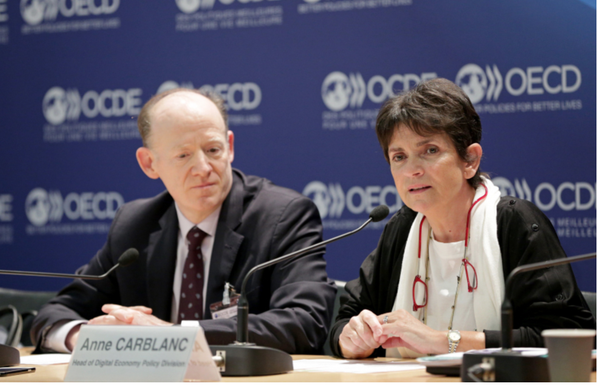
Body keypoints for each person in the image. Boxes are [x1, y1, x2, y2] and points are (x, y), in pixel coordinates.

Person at [32, 88, 336, 354]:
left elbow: (305, 321)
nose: (203, 167)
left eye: (213, 150)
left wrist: (174, 337)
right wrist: (85, 336)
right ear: (149, 163)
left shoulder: (282, 216)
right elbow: (56, 312)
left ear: (230, 147)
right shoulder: (134, 225)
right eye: (184, 156)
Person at [329, 78, 595, 359]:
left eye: (430, 151)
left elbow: (568, 336)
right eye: (399, 157)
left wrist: (443, 342)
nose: (412, 170)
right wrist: (351, 338)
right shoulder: (404, 227)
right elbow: (343, 321)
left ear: (470, 160)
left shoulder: (513, 223)